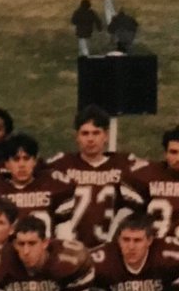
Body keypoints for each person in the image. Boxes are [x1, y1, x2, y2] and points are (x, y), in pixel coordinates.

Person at [46, 105, 140, 248]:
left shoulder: (123, 164)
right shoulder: (61, 164)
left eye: (96, 133)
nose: (90, 139)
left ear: (106, 136)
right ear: (76, 136)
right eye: (85, 133)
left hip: (110, 248)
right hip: (70, 246)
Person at [0, 133, 75, 238]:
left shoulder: (54, 185)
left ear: (35, 161)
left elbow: (64, 232)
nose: (22, 165)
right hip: (3, 254)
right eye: (16, 159)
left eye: (26, 158)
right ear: (7, 164)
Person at [124, 126, 179, 241]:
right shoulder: (148, 175)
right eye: (173, 152)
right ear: (165, 153)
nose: (178, 158)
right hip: (154, 251)